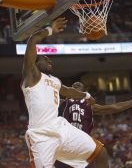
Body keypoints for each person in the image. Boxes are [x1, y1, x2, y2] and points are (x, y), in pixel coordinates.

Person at [21, 17, 110, 168]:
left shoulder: (55, 81)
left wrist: (86, 95)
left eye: (50, 60)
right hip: (41, 135)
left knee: (101, 152)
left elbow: (68, 91)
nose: (50, 61)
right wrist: (50, 29)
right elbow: (33, 40)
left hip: (61, 128)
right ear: (35, 64)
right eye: (45, 59)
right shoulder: (32, 75)